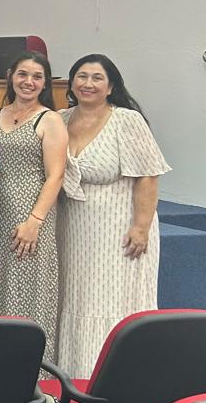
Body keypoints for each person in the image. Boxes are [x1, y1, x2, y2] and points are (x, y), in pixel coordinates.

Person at [56, 54, 169, 378]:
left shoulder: (126, 120)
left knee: (109, 301)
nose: (87, 84)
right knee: (77, 298)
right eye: (81, 76)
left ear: (111, 86)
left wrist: (141, 226)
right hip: (73, 228)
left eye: (96, 78)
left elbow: (148, 176)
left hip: (118, 228)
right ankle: (75, 375)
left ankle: (115, 377)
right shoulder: (60, 119)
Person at [0, 52, 68, 362]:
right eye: (23, 74)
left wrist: (34, 221)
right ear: (11, 75)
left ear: (45, 83)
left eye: (37, 77)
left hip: (29, 216)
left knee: (26, 289)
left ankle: (29, 369)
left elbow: (56, 176)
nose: (29, 81)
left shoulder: (49, 119)